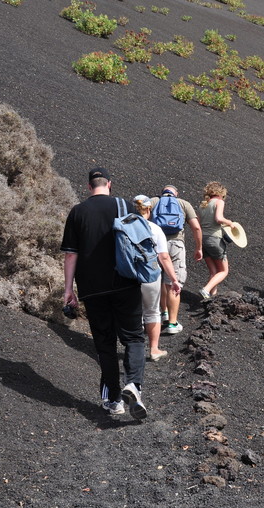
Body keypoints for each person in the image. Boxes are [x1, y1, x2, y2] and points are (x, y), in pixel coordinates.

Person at [61, 167, 148, 418]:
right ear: (109, 184)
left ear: (89, 187)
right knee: (133, 337)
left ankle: (113, 399)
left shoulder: (78, 212)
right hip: (126, 282)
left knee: (105, 343)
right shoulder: (126, 207)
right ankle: (133, 384)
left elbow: (70, 254)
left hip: (92, 288)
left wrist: (69, 290)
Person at [133, 195, 182, 362]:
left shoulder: (122, 225)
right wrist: (174, 279)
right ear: (148, 209)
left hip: (127, 275)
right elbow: (164, 257)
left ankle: (133, 349)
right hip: (149, 275)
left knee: (133, 310)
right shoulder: (155, 228)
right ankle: (154, 349)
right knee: (152, 311)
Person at [150, 185, 202, 335]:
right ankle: (172, 323)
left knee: (159, 280)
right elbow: (196, 228)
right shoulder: (183, 204)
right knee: (173, 283)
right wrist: (198, 248)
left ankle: (163, 312)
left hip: (156, 246)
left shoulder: (153, 201)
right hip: (176, 245)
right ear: (176, 193)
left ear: (162, 193)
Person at [196, 181, 234, 300]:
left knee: (214, 272)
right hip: (214, 239)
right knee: (223, 271)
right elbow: (218, 218)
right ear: (221, 193)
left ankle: (212, 299)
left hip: (203, 240)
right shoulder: (219, 202)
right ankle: (206, 290)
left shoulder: (203, 205)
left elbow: (197, 222)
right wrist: (230, 223)